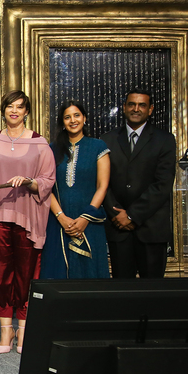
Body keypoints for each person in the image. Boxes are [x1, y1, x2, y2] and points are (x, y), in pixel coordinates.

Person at [0, 90, 55, 354]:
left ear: (27, 112)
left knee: (26, 274)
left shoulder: (39, 143)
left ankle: (23, 328)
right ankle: (5, 329)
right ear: (3, 110)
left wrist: (30, 182)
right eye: (9, 106)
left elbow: (47, 180)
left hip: (27, 217)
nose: (14, 111)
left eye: (20, 107)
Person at [100, 88, 177, 278]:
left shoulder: (165, 140)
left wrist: (133, 215)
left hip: (151, 229)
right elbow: (102, 183)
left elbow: (163, 184)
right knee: (122, 293)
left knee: (152, 293)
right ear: (124, 108)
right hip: (118, 227)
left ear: (150, 110)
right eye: (132, 104)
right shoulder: (106, 140)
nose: (136, 109)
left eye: (142, 105)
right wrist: (117, 214)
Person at [39, 101, 111, 279]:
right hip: (58, 222)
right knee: (59, 274)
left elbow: (102, 186)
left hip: (90, 221)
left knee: (91, 273)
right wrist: (61, 217)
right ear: (62, 122)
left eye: (77, 115)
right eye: (67, 117)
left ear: (84, 118)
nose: (73, 120)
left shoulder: (98, 147)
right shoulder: (52, 149)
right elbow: (46, 187)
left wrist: (86, 217)